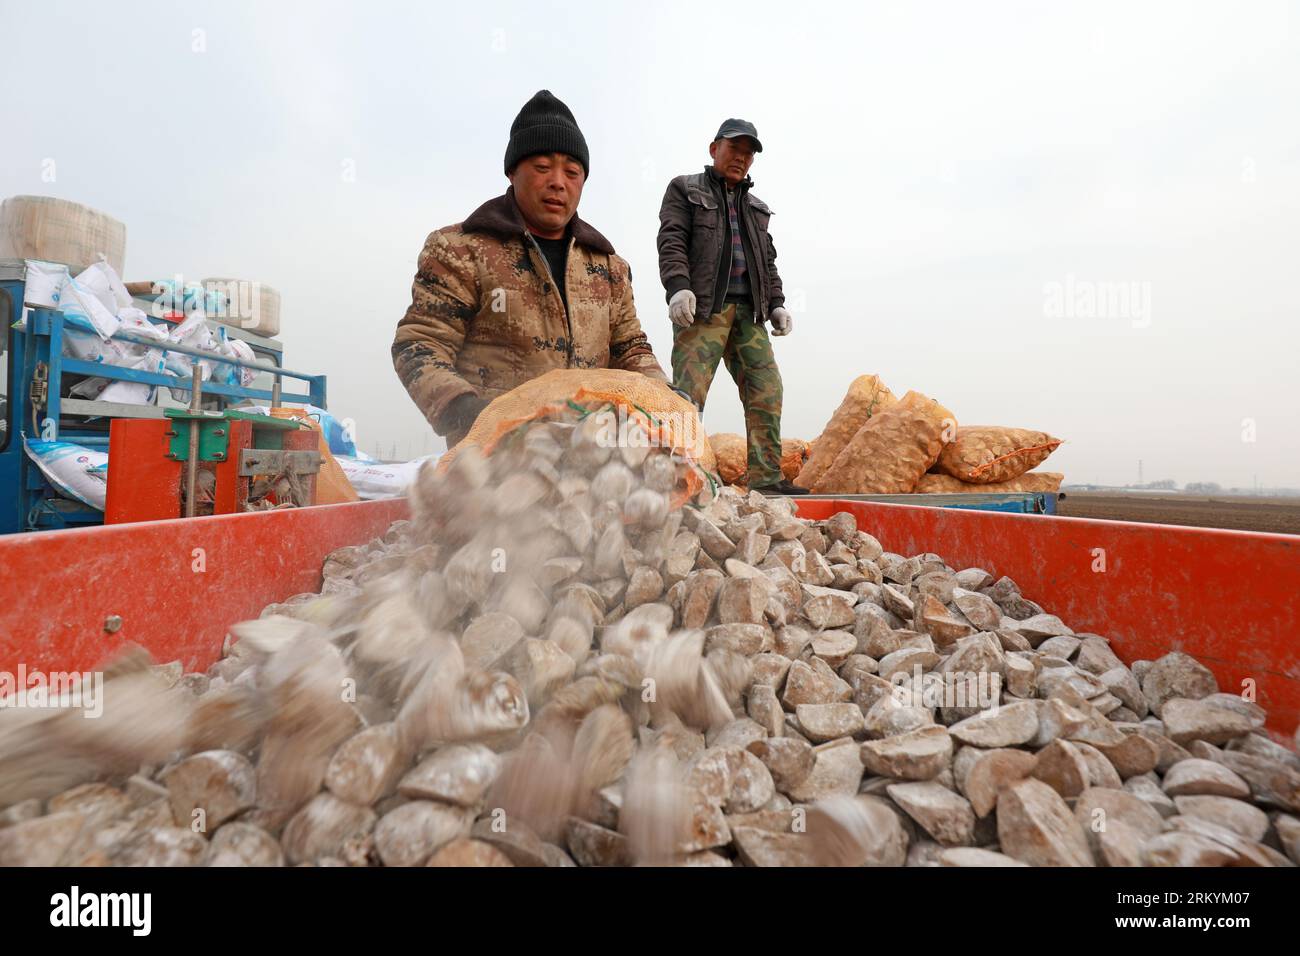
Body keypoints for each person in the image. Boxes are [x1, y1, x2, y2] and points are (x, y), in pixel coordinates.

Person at [393, 90, 667, 448]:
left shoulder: (608, 266)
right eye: (542, 168)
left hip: (593, 459)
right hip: (492, 459)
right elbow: (420, 342)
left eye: (572, 171)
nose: (558, 181)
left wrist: (666, 399)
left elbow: (631, 349)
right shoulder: (462, 249)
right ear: (512, 171)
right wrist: (467, 410)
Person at [656, 118, 805, 495]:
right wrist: (678, 287)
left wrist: (777, 304)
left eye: (748, 153)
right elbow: (671, 239)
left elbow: (767, 262)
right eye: (734, 149)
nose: (741, 158)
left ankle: (767, 480)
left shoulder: (756, 208)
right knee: (688, 396)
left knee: (767, 389)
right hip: (704, 309)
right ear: (714, 149)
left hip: (749, 314)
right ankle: (679, 480)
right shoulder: (685, 189)